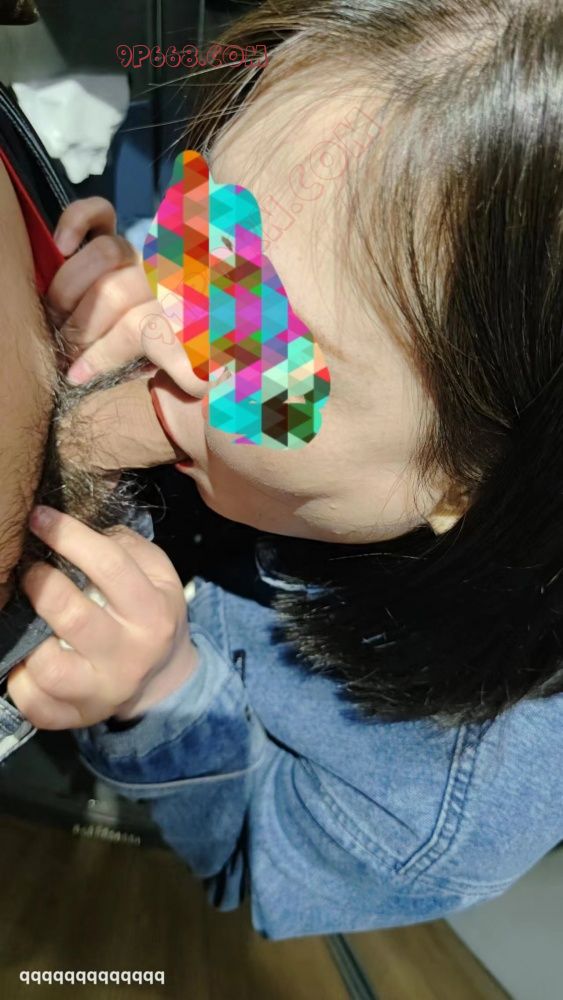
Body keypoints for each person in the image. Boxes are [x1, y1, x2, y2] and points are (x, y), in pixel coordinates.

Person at [6, 0, 563, 939]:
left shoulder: (454, 810)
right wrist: (123, 253)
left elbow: (257, 851)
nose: (160, 328)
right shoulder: (290, 288)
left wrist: (157, 694)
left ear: (475, 480)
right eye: (199, 238)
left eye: (263, 342)